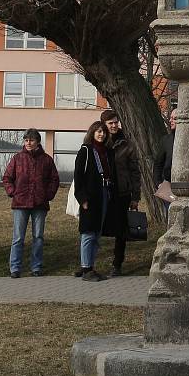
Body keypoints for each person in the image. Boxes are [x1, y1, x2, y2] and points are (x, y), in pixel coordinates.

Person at [2, 129, 60, 278]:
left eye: (31, 140)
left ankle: (36, 267)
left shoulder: (47, 160)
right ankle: (15, 268)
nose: (28, 143)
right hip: (20, 203)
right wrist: (12, 192)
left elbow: (54, 179)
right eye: (26, 140)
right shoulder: (17, 158)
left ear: (38, 142)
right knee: (18, 238)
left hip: (39, 204)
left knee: (38, 237)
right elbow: (7, 177)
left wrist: (48, 195)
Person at [73, 121, 119, 282]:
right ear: (92, 132)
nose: (101, 134)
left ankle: (90, 266)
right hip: (90, 197)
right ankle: (86, 268)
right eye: (98, 131)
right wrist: (82, 199)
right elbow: (78, 176)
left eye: (104, 132)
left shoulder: (107, 152)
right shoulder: (85, 151)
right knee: (88, 232)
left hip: (104, 195)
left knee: (97, 233)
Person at [100, 110, 140, 276]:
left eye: (116, 122)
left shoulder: (127, 144)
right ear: (104, 125)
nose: (114, 125)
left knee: (121, 231)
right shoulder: (99, 142)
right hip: (103, 193)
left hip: (122, 192)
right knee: (97, 228)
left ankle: (117, 264)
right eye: (111, 123)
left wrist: (136, 197)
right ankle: (88, 265)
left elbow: (135, 172)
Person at [153, 109, 176, 213]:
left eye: (175, 118)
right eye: (170, 118)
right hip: (169, 187)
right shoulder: (166, 140)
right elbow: (158, 164)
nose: (171, 120)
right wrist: (159, 183)